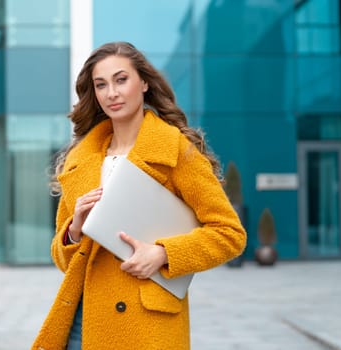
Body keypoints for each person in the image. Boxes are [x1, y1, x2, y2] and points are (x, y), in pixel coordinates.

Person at [31, 42, 246, 350]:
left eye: (121, 80)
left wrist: (163, 254)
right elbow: (64, 260)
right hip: (85, 321)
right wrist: (74, 229)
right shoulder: (80, 160)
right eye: (101, 85)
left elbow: (230, 234)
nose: (112, 93)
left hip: (146, 326)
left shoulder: (175, 151)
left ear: (144, 82)